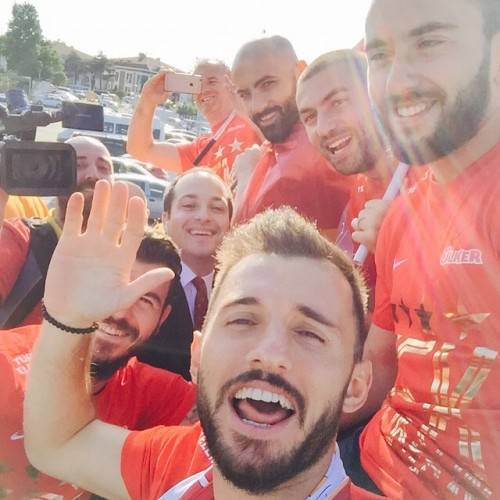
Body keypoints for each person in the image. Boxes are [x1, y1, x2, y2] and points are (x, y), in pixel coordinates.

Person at [24, 181, 376, 499]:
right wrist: (68, 320)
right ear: (197, 356)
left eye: (309, 333)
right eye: (242, 320)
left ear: (355, 386)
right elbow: (59, 442)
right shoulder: (175, 463)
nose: (269, 353)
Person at [345, 0, 500, 497]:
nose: (396, 82)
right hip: (364, 459)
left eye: (430, 42)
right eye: (381, 55)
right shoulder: (403, 213)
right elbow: (383, 360)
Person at [0, 231, 196, 499]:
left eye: (145, 300)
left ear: (162, 319)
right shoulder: (7, 361)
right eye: (110, 286)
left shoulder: (157, 394)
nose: (120, 311)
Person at [231, 36, 352, 241]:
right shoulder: (285, 145)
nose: (257, 106)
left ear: (300, 73)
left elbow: (239, 245)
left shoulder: (301, 160)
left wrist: (245, 176)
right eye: (244, 95)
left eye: (267, 84)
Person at [0, 136, 114, 328]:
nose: (93, 175)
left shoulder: (130, 252)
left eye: (103, 168)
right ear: (53, 175)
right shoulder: (21, 237)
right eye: (78, 165)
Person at [138, 167, 232, 379]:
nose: (204, 217)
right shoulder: (144, 285)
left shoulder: (240, 289)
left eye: (217, 208)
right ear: (165, 219)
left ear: (230, 223)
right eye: (189, 206)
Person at [127, 60, 262, 183]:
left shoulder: (252, 122)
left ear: (232, 84)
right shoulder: (199, 151)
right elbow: (141, 150)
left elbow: (271, 143)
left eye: (212, 81)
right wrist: (147, 100)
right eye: (197, 84)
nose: (204, 90)